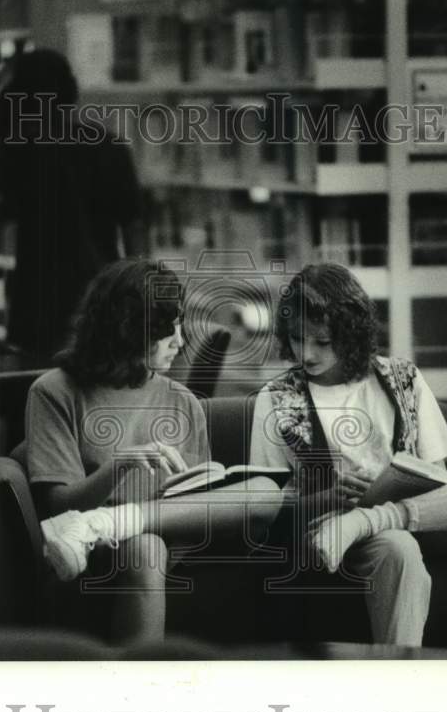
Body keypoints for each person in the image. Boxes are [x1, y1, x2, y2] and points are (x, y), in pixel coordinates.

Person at [248, 263, 447, 647]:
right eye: (296, 339)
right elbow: (264, 516)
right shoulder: (276, 399)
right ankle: (400, 684)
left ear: (350, 333)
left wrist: (394, 502)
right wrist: (328, 498)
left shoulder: (403, 377)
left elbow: (435, 474)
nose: (305, 354)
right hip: (341, 534)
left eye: (321, 342)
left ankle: (371, 519)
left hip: (427, 519)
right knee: (398, 547)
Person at [26, 259, 282, 644]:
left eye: (179, 326)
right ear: (128, 331)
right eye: (167, 330)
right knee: (145, 548)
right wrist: (120, 466)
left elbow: (195, 502)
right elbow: (59, 506)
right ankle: (145, 690)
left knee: (268, 492)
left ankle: (110, 521)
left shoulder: (182, 400)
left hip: (176, 534)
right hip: (96, 549)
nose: (179, 342)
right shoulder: (54, 392)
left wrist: (202, 491)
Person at [0, 48, 146, 364]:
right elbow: (134, 227)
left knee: (42, 401)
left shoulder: (23, 149)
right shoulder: (110, 146)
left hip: (40, 310)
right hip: (103, 301)